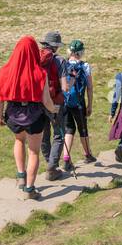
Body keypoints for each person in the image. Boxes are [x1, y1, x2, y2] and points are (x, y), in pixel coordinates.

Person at [0, 36, 48, 198]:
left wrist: (0, 117)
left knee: (19, 140)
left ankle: (21, 177)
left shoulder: (5, 71)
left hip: (13, 114)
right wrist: (55, 109)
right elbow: (46, 100)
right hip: (35, 116)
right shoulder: (40, 73)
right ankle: (30, 190)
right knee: (34, 152)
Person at [37, 31, 69, 181]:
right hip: (55, 102)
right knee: (58, 134)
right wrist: (72, 80)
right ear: (56, 46)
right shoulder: (60, 61)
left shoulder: (36, 58)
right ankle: (52, 167)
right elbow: (65, 87)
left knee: (44, 135)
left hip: (38, 102)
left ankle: (48, 162)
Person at [59, 40, 97, 167]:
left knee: (69, 128)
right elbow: (90, 87)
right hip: (79, 103)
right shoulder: (85, 66)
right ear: (81, 52)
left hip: (65, 102)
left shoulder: (63, 64)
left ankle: (66, 158)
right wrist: (90, 105)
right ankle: (88, 154)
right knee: (83, 129)